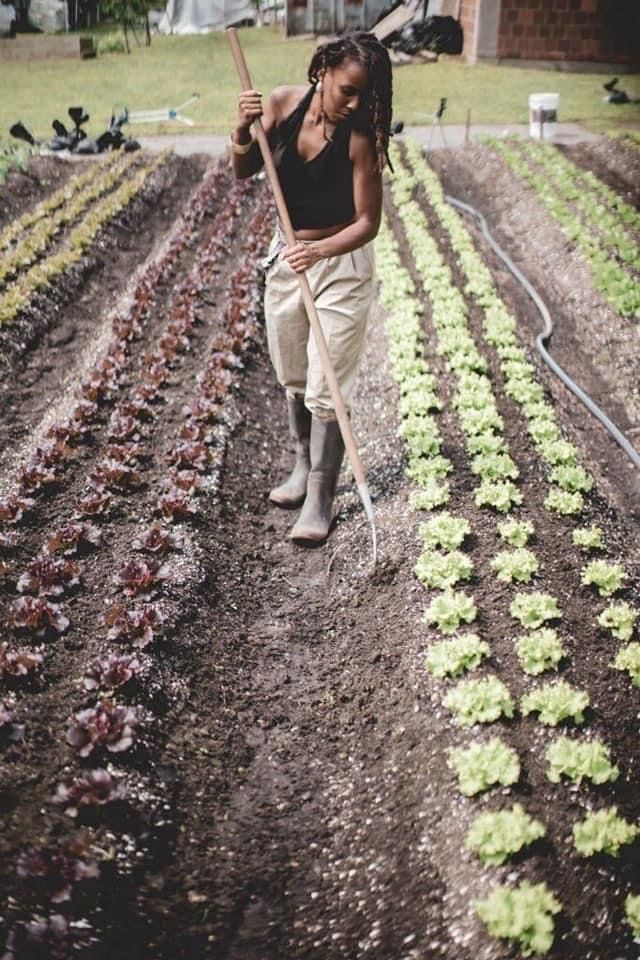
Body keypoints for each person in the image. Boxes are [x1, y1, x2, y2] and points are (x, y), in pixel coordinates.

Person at [230, 31, 393, 544]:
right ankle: (303, 466)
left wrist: (320, 250)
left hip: (339, 263)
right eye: (347, 89)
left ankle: (322, 495)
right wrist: (240, 129)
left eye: (365, 95)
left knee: (327, 384)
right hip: (288, 257)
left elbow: (368, 222)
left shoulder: (361, 138)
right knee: (294, 372)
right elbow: (242, 170)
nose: (355, 103)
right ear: (322, 70)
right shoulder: (280, 105)